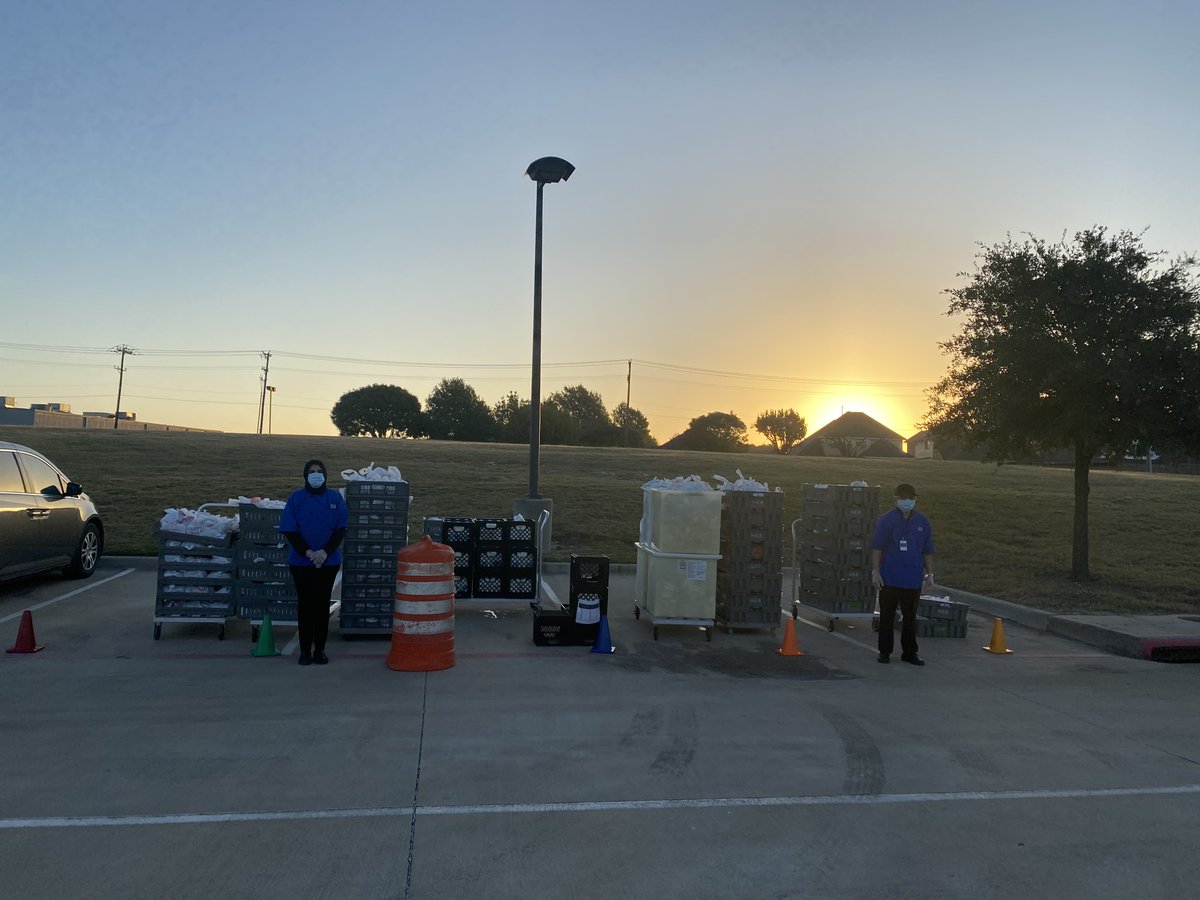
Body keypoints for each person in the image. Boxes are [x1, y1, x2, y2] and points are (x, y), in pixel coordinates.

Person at [279, 459, 348, 666]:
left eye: (319, 471)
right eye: (312, 471)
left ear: (325, 475)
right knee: (305, 606)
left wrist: (325, 553)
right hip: (301, 562)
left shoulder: (335, 498)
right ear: (305, 475)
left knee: (321, 606)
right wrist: (308, 552)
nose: (316, 474)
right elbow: (290, 530)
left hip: (329, 561)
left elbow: (340, 529)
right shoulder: (296, 499)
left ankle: (320, 649)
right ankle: (304, 650)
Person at [870, 483, 934, 666]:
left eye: (911, 498)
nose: (907, 502)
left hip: (912, 577)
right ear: (897, 499)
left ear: (915, 499)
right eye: (904, 498)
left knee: (910, 617)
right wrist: (876, 571)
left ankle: (910, 652)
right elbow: (877, 547)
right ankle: (885, 651)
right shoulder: (886, 520)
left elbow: (927, 550)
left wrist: (930, 574)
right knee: (887, 616)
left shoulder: (922, 522)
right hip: (890, 576)